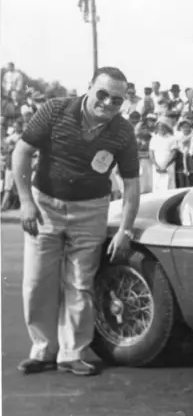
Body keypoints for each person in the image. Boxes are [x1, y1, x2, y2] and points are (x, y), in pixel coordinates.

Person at [12, 66, 139, 376]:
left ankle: (71, 353)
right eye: (103, 94)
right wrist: (26, 202)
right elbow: (22, 152)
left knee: (80, 283)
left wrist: (125, 229)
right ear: (89, 88)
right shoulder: (55, 110)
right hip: (45, 206)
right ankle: (43, 350)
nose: (108, 103)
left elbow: (132, 183)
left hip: (91, 209)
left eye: (117, 100)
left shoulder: (123, 131)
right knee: (37, 282)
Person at [149, 116, 179, 192]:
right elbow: (151, 153)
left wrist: (165, 166)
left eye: (162, 127)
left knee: (169, 186)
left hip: (168, 167)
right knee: (157, 186)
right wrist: (156, 165)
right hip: (156, 168)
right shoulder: (154, 138)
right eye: (159, 127)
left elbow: (174, 153)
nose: (160, 129)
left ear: (166, 127)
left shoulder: (172, 138)